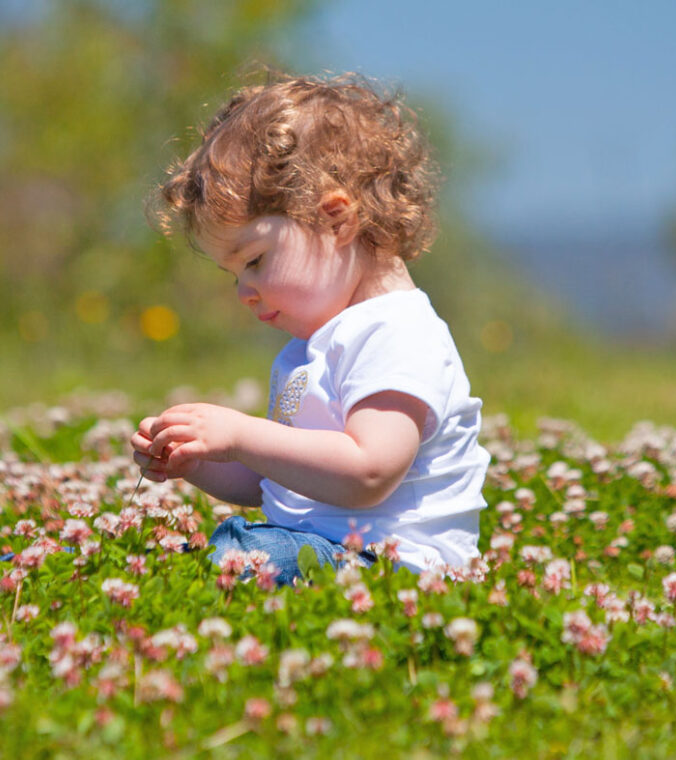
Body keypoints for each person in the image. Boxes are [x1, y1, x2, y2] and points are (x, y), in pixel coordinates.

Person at [131, 72, 490, 582]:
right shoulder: (310, 348)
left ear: (337, 220)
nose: (243, 291)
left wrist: (239, 433)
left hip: (393, 568)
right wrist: (197, 460)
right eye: (233, 274)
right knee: (235, 554)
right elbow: (273, 482)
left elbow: (367, 471)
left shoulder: (398, 332)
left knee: (239, 558)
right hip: (317, 549)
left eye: (254, 260)